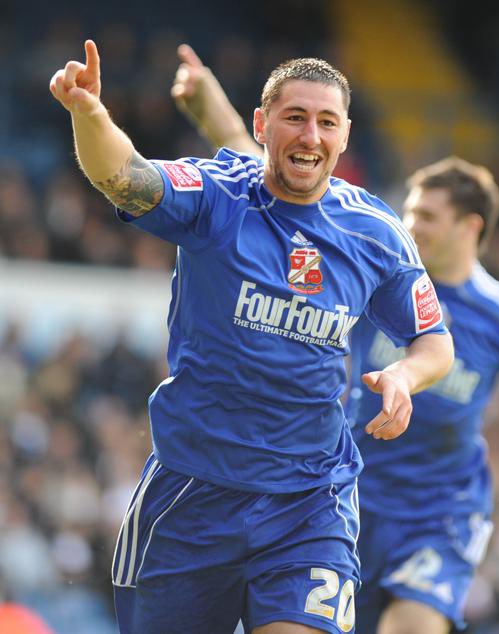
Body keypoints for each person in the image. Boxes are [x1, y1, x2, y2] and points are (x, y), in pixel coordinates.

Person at [171, 45, 499, 634]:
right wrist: (207, 99)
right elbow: (254, 161)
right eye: (412, 212)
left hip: (436, 518)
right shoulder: (371, 257)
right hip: (346, 491)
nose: (411, 224)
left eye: (428, 217)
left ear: (470, 229)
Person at [49, 41, 454, 634]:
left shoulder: (376, 234)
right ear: (263, 126)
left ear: (345, 136)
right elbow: (126, 176)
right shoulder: (218, 196)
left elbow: (434, 340)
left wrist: (403, 375)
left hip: (310, 500)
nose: (310, 136)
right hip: (192, 496)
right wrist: (89, 112)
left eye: (326, 122)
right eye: (295, 118)